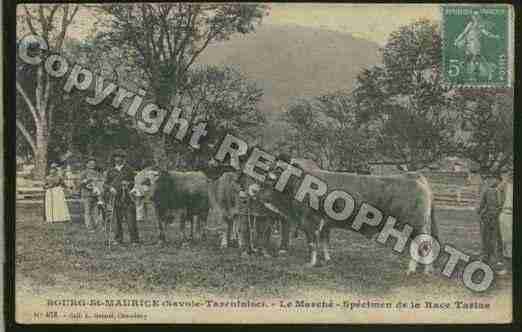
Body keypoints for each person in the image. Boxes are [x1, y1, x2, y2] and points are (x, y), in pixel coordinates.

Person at [105, 149, 140, 246]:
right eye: (116, 157)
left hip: (128, 198)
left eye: (121, 157)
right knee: (116, 221)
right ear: (114, 158)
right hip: (115, 198)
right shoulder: (110, 171)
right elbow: (105, 184)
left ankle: (134, 240)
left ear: (124, 159)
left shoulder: (129, 170)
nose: (118, 159)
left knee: (131, 220)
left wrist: (129, 184)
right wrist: (110, 188)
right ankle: (118, 239)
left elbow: (136, 183)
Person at [454, 10, 500, 80]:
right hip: (469, 44)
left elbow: (486, 33)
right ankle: (470, 74)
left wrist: (494, 36)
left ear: (479, 17)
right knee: (470, 59)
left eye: (477, 15)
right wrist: (457, 39)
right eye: (474, 15)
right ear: (472, 16)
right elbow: (464, 33)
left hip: (476, 45)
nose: (476, 17)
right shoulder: (470, 24)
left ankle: (481, 73)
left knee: (477, 59)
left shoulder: (480, 25)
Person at [237, 174, 274, 258]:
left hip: (262, 201)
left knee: (263, 226)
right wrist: (241, 191)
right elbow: (236, 182)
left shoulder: (269, 168)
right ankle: (245, 249)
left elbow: (273, 182)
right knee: (245, 226)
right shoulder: (245, 169)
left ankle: (262, 247)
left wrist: (264, 191)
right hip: (247, 202)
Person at [477, 173, 506, 274]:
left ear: (499, 181)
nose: (494, 182)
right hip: (488, 218)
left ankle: (498, 259)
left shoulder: (502, 192)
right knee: (486, 238)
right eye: (492, 180)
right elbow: (481, 205)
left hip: (499, 218)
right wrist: (480, 212)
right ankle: (486, 257)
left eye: (496, 180)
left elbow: (503, 205)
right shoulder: (487, 191)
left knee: (498, 239)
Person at [79, 156, 104, 231]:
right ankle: (90, 227)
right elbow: (80, 183)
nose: (92, 165)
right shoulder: (84, 173)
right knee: (88, 211)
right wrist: (86, 184)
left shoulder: (98, 173)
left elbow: (102, 182)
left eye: (94, 163)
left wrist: (99, 188)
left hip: (96, 195)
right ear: (87, 164)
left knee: (96, 211)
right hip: (87, 194)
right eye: (90, 163)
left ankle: (98, 226)